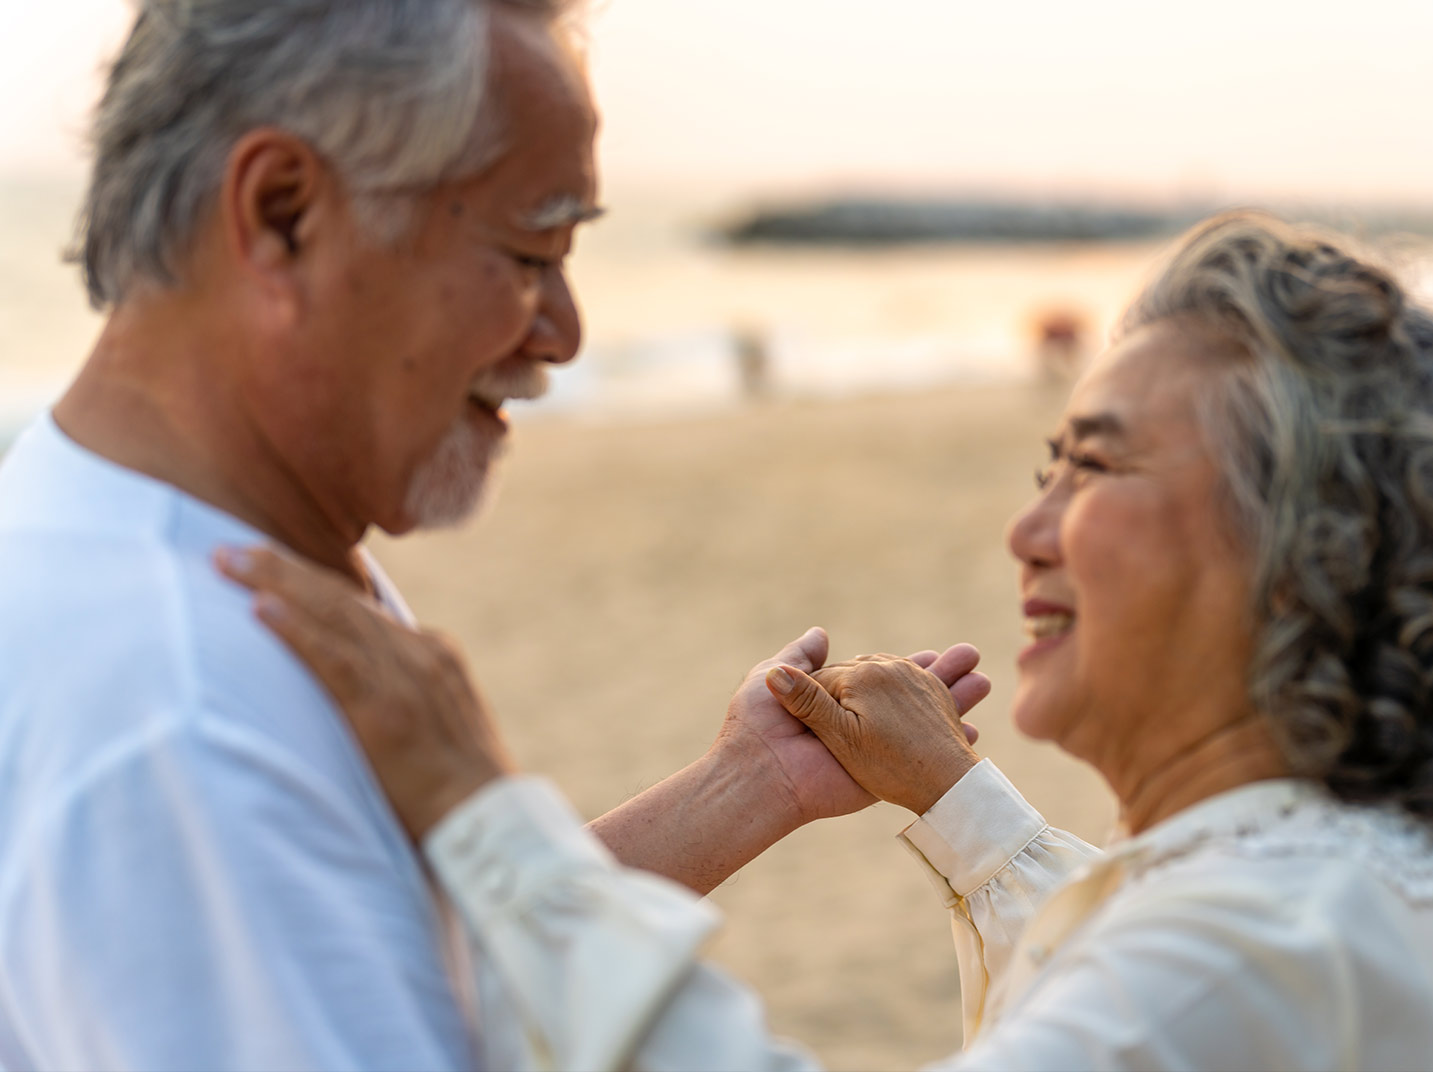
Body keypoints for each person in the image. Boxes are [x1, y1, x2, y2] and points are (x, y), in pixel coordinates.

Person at [225, 211, 1433, 1070]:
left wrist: (487, 817)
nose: (1029, 529)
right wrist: (940, 806)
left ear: (1303, 555)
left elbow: (1162, 998)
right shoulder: (1371, 879)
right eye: (1043, 465)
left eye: (1095, 472)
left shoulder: (1272, 945)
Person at [0, 2, 990, 1068]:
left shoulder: (170, 544)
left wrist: (744, 787)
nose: (563, 334)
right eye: (530, 251)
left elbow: (429, 974)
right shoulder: (191, 711)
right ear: (283, 212)